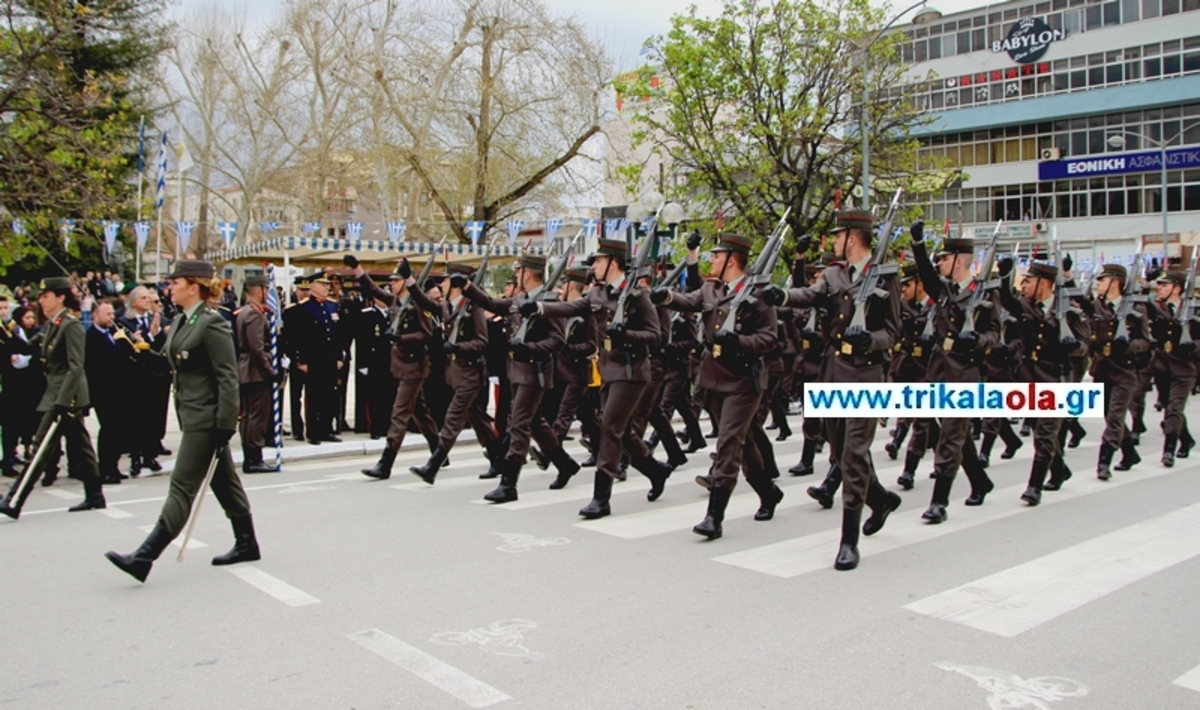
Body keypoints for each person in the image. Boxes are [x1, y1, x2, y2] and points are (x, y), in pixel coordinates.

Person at [762, 210, 902, 570]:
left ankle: (848, 541)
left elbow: (894, 331)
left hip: (866, 374)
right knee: (840, 452)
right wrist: (781, 296)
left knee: (855, 453)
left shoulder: (885, 275)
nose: (834, 241)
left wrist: (870, 339)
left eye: (838, 235)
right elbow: (808, 295)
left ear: (852, 238)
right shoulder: (836, 274)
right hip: (833, 371)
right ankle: (881, 499)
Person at [106, 259, 260, 582]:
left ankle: (144, 557)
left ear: (194, 287)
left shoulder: (212, 323)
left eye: (176, 282)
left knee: (181, 488)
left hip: (207, 418)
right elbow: (166, 366)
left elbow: (228, 378)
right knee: (223, 482)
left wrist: (225, 424)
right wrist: (135, 348)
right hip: (191, 414)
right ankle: (247, 542)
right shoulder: (181, 322)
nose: (169, 287)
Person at [654, 232, 783, 538]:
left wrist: (740, 341)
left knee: (728, 443)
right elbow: (690, 301)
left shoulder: (759, 292)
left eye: (716, 255)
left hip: (743, 379)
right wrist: (667, 298)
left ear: (731, 259)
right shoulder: (713, 288)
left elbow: (770, 338)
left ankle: (714, 516)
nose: (711, 259)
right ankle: (768, 492)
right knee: (745, 443)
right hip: (714, 377)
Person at [908, 223, 1000, 522]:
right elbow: (925, 273)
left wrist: (978, 340)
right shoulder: (944, 289)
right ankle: (980, 481)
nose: (941, 264)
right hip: (938, 370)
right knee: (952, 433)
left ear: (959, 261)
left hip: (965, 373)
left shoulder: (984, 292)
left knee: (949, 437)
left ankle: (939, 502)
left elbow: (994, 333)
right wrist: (918, 243)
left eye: (945, 259)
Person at [459, 254, 569, 502]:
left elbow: (558, 341)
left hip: (535, 373)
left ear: (526, 274)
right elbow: (493, 304)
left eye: (518, 271)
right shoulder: (521, 298)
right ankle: (565, 464)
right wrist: (468, 287)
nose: (516, 275)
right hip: (517, 372)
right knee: (535, 423)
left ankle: (509, 483)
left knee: (518, 424)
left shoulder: (549, 301)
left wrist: (529, 349)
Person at [0, 277, 107, 519]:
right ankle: (95, 494)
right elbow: (30, 347)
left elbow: (75, 367)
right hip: (58, 393)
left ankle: (13, 499)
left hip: (65, 396)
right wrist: (4, 335)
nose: (41, 301)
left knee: (40, 447)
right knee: (82, 446)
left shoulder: (70, 325)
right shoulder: (53, 324)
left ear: (60, 297)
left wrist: (63, 401)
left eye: (46, 296)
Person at [408, 262, 501, 484]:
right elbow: (426, 302)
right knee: (478, 418)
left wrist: (458, 347)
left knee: (453, 419)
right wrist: (412, 284)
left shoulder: (473, 307)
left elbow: (482, 341)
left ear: (458, 284)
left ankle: (433, 466)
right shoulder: (450, 306)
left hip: (470, 374)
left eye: (447, 280)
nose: (442, 284)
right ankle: (498, 458)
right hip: (457, 374)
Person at [349, 258, 438, 480]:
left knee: (399, 415)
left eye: (396, 280)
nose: (392, 284)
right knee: (420, 412)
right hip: (401, 366)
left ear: (406, 283)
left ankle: (386, 462)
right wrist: (358, 268)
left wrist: (401, 337)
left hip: (414, 366)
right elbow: (373, 289)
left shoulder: (418, 303)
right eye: (392, 280)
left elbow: (427, 334)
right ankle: (439, 452)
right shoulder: (397, 302)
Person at [1084, 263, 1151, 479]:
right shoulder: (1097, 306)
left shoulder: (1135, 310)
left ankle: (1104, 461)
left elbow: (1147, 342)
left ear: (1115, 282)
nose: (1098, 284)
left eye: (1102, 280)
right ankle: (1129, 452)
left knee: (1114, 417)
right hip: (1102, 369)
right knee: (1108, 415)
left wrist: (1129, 346)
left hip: (1125, 372)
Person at [85, 299, 136, 484]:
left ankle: (113, 466)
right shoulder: (91, 337)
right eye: (107, 314)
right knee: (109, 430)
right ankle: (105, 468)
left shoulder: (111, 333)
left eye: (113, 314)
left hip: (119, 390)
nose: (112, 317)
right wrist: (123, 346)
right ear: (95, 315)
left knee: (118, 430)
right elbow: (104, 362)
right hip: (103, 392)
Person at [235, 274, 278, 473]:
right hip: (255, 371)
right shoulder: (253, 314)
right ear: (258, 290)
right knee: (256, 416)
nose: (268, 293)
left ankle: (251, 457)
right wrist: (270, 371)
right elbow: (257, 348)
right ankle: (253, 458)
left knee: (249, 415)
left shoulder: (244, 312)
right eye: (266, 289)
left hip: (248, 369)